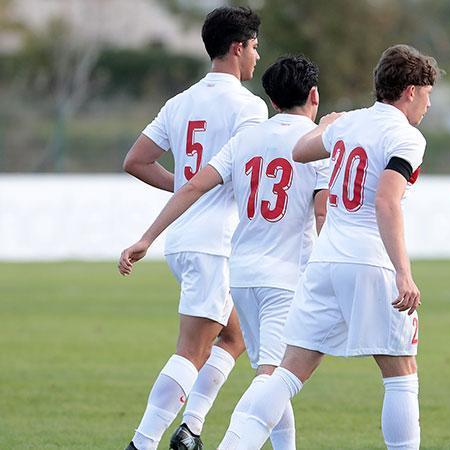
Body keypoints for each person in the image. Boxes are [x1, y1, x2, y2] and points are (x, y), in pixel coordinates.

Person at [221, 44, 439, 450]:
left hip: (325, 261)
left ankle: (234, 445)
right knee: (400, 374)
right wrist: (404, 273)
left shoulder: (350, 123)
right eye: (427, 94)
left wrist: (328, 125)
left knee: (288, 372)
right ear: (410, 91)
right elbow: (386, 201)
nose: (428, 104)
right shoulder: (406, 137)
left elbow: (301, 150)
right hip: (370, 261)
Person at [119, 54, 330, 450]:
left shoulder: (246, 140)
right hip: (284, 276)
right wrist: (327, 267)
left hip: (242, 275)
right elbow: (322, 212)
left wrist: (147, 237)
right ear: (314, 95)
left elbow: (192, 185)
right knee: (273, 378)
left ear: (272, 100)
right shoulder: (316, 145)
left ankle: (196, 428)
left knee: (268, 369)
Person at [118, 6, 268, 450]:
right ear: (237, 48)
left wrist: (184, 187)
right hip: (214, 242)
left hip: (184, 238)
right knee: (192, 350)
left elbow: (136, 161)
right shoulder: (249, 107)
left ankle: (191, 430)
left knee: (236, 336)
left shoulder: (180, 102)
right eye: (254, 46)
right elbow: (250, 173)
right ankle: (143, 442)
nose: (257, 56)